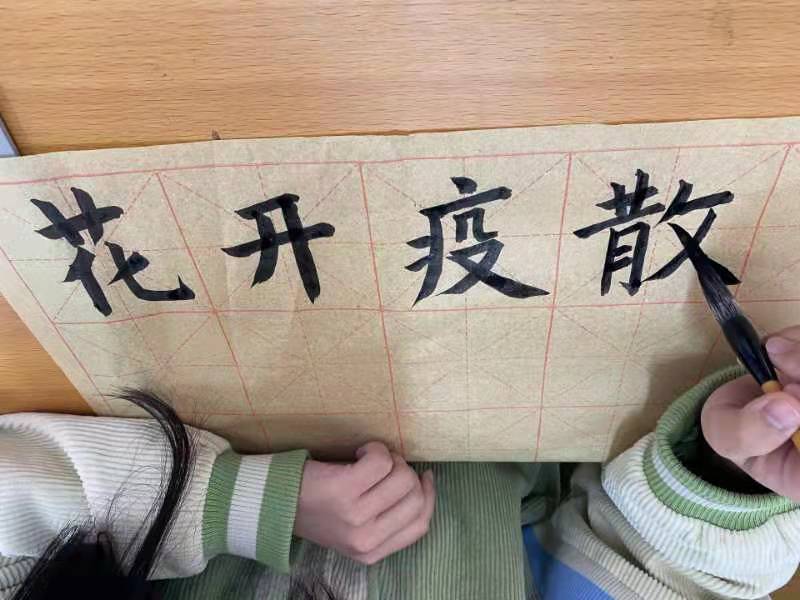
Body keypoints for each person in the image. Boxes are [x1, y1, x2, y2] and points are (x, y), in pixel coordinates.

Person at [2, 327, 800, 600]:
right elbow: (644, 567)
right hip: (524, 350)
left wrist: (252, 502)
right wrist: (721, 472)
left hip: (182, 324)